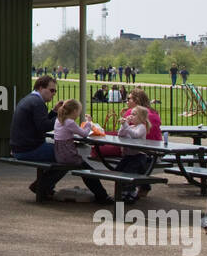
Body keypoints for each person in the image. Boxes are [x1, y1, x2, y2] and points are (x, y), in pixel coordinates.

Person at [10, 75, 110, 205]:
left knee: (66, 157)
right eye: (51, 90)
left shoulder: (29, 100)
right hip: (29, 149)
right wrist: (62, 117)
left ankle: (42, 186)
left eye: (55, 91)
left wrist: (54, 112)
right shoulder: (37, 103)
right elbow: (44, 126)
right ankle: (101, 195)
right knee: (71, 158)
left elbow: (41, 123)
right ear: (41, 88)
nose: (53, 94)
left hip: (21, 148)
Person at [115, 105, 154, 203]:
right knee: (119, 170)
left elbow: (135, 135)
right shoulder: (131, 126)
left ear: (141, 118)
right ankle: (124, 191)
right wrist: (124, 124)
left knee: (130, 172)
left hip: (138, 156)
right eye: (131, 114)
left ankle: (131, 192)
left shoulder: (141, 127)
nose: (131, 116)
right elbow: (120, 134)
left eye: (134, 114)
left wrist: (127, 126)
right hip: (128, 155)